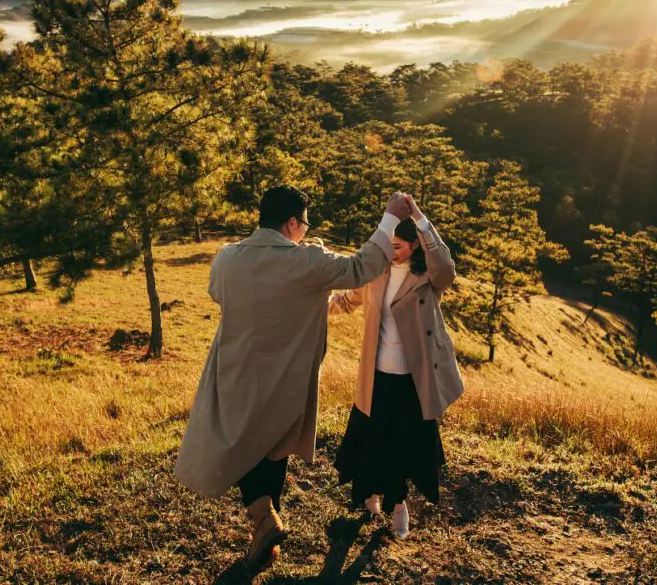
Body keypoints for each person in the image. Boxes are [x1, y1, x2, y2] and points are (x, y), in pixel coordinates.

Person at [175, 186, 411, 569]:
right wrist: (390, 217)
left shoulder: (227, 259)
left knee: (241, 444)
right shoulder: (308, 263)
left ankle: (264, 527)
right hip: (285, 377)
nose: (306, 230)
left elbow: (218, 293)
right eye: (304, 223)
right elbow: (361, 268)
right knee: (273, 447)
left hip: (234, 372)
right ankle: (265, 518)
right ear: (291, 223)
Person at [328, 195, 464, 540]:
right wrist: (312, 306)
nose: (392, 251)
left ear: (416, 244)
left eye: (399, 246)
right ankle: (372, 493)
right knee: (373, 440)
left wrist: (420, 218)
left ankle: (399, 505)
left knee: (403, 444)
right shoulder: (377, 271)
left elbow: (447, 270)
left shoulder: (429, 278)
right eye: (388, 245)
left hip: (413, 379)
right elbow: (348, 300)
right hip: (375, 375)